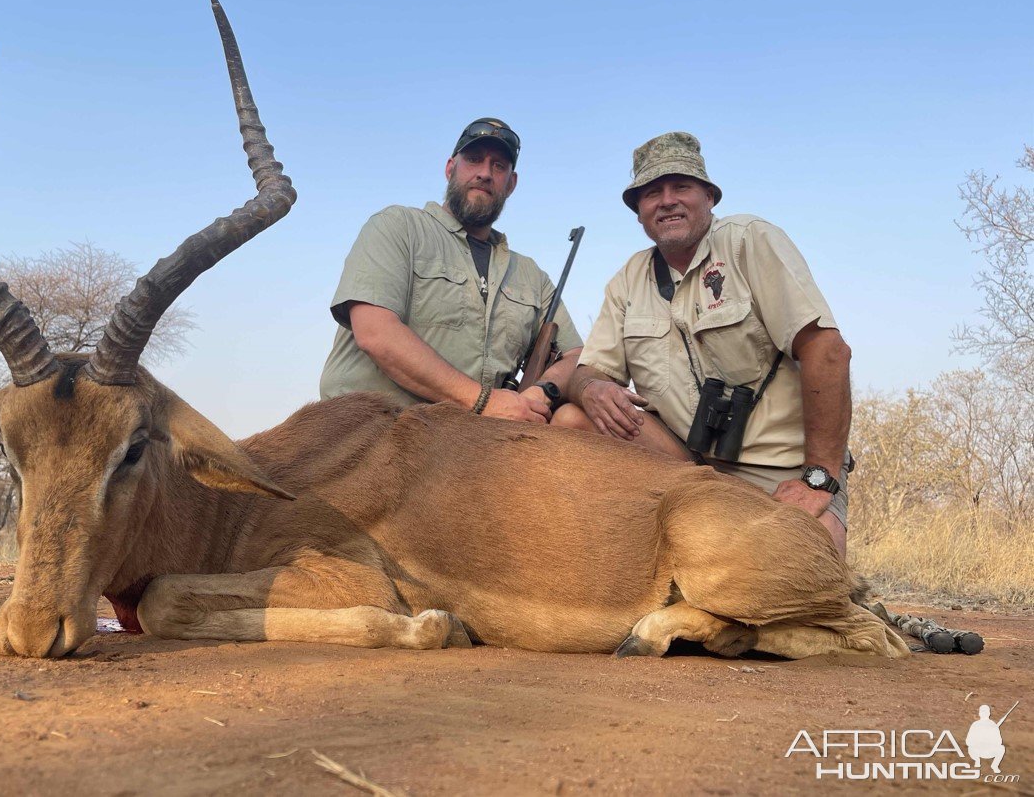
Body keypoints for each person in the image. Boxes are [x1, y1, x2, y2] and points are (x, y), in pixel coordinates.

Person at [552, 132, 853, 556]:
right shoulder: (627, 279)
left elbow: (827, 350)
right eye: (652, 193)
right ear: (639, 212)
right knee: (570, 419)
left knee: (804, 568)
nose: (667, 200)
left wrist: (818, 478)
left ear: (709, 196)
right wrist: (592, 388)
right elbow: (588, 370)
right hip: (685, 467)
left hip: (781, 475)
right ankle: (601, 564)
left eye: (682, 187)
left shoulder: (750, 239)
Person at [320, 118, 583, 423]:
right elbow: (375, 332)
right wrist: (484, 401)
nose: (485, 173)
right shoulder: (397, 226)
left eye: (499, 166)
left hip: (467, 445)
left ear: (511, 184)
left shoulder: (533, 277)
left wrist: (542, 391)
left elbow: (576, 355)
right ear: (450, 168)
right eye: (473, 160)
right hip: (370, 430)